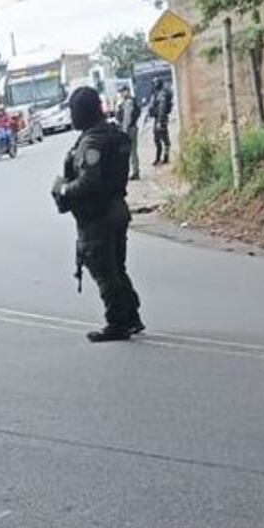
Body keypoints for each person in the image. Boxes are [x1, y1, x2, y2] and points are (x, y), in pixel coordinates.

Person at [51, 88, 145, 342]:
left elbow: (89, 182)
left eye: (73, 110)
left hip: (98, 215)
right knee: (117, 268)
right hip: (116, 209)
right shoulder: (112, 135)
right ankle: (131, 317)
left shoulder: (93, 142)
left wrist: (62, 189)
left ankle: (117, 323)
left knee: (104, 271)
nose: (72, 115)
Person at [116, 85, 142, 180]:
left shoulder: (128, 102)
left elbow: (127, 117)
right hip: (131, 128)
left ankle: (135, 172)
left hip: (129, 129)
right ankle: (134, 171)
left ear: (127, 91)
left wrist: (124, 130)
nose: (121, 94)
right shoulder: (126, 101)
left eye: (122, 91)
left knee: (131, 152)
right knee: (131, 151)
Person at [146, 77, 172, 165]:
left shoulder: (162, 94)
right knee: (157, 139)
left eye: (155, 83)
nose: (153, 85)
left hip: (161, 119)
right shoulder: (156, 94)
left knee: (164, 139)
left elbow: (162, 108)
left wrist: (160, 121)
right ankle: (158, 157)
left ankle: (165, 157)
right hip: (157, 118)